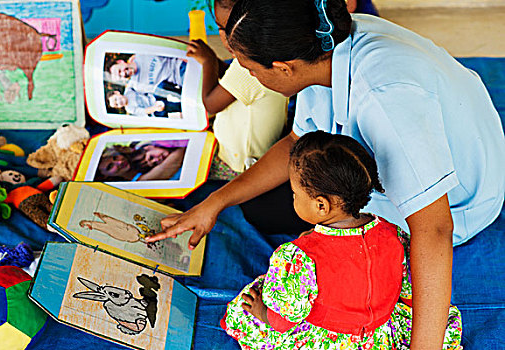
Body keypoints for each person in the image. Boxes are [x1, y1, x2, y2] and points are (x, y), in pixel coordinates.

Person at [149, 0, 505, 348]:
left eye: (251, 70)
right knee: (263, 204)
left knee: (283, 211)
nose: (250, 78)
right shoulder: (322, 48)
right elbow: (295, 141)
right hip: (437, 139)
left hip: (460, 201)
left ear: (284, 67)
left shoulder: (386, 100)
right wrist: (215, 203)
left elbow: (435, 227)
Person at [222, 131, 463, 349]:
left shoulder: (296, 258)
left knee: (243, 311)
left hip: (329, 340)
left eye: (295, 193)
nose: (292, 198)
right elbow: (410, 289)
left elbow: (283, 320)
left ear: (321, 205)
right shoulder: (394, 233)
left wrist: (262, 313)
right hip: (381, 335)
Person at [185, 0, 288, 180]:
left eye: (226, 29)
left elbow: (210, 105)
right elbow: (230, 81)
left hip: (238, 167)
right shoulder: (264, 54)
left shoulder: (249, 68)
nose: (223, 37)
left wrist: (209, 62)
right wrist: (215, 61)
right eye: (220, 28)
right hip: (244, 155)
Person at [95, 140, 187, 182]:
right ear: (105, 176)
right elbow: (177, 158)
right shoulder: (138, 182)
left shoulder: (139, 153)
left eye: (115, 157)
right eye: (110, 166)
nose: (119, 162)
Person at [107, 54, 186, 92]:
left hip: (180, 65)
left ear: (120, 62)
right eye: (120, 77)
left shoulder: (141, 53)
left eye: (119, 71)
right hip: (180, 82)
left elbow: (170, 52)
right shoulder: (138, 86)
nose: (123, 74)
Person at [107, 87, 182, 118]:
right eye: (117, 105)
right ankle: (181, 107)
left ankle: (180, 90)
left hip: (152, 97)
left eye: (116, 99)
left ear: (117, 92)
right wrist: (155, 108)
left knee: (161, 86)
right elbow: (144, 111)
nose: (119, 102)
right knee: (164, 106)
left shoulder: (129, 90)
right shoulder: (129, 109)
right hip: (153, 109)